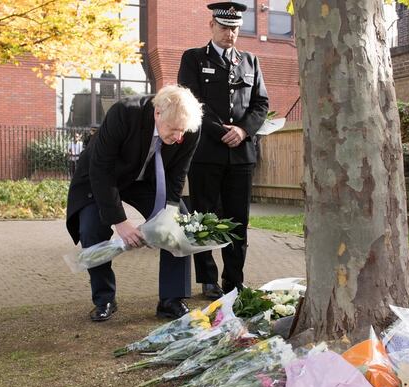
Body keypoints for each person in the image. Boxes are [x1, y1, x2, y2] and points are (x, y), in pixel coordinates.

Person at [66, 85, 203, 322]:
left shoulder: (188, 128)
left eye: (183, 131)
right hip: (101, 178)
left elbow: (178, 174)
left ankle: (171, 299)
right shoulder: (124, 113)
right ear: (157, 113)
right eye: (174, 130)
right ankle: (104, 299)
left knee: (180, 224)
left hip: (145, 181)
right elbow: (101, 169)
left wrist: (164, 218)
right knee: (91, 229)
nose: (179, 137)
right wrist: (120, 222)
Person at [177, 2, 269, 299]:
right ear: (212, 26)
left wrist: (242, 130)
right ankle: (207, 279)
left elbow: (260, 104)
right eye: (225, 27)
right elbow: (192, 103)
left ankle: (234, 280)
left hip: (241, 155)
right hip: (207, 153)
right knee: (203, 218)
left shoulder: (250, 61)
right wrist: (222, 132)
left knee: (238, 219)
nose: (231, 34)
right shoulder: (192, 59)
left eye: (236, 29)